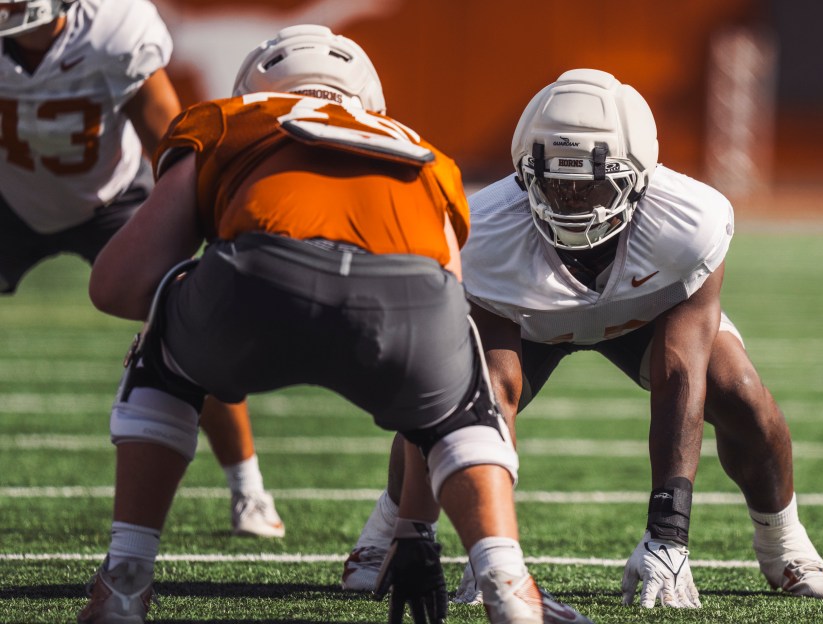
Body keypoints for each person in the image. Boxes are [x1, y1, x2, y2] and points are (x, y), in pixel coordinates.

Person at [76, 24, 591, 624]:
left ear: (255, 85)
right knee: (462, 399)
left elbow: (116, 284)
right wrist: (414, 533)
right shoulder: (423, 151)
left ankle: (125, 580)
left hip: (261, 278)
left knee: (165, 318)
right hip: (411, 298)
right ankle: (507, 580)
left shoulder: (224, 118)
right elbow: (446, 319)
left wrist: (200, 293)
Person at [343, 68, 823, 609]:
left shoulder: (690, 220)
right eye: (557, 182)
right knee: (475, 394)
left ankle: (784, 543)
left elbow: (681, 371)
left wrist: (668, 534)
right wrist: (488, 550)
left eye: (590, 183)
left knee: (739, 388)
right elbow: (474, 393)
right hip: (526, 317)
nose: (571, 201)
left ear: (639, 174)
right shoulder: (482, 229)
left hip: (643, 313)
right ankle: (388, 527)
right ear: (524, 173)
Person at [0, 0, 284, 539]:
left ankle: (248, 488)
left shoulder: (112, 28)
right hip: (11, 196)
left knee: (190, 319)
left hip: (110, 198)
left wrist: (205, 232)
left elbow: (173, 148)